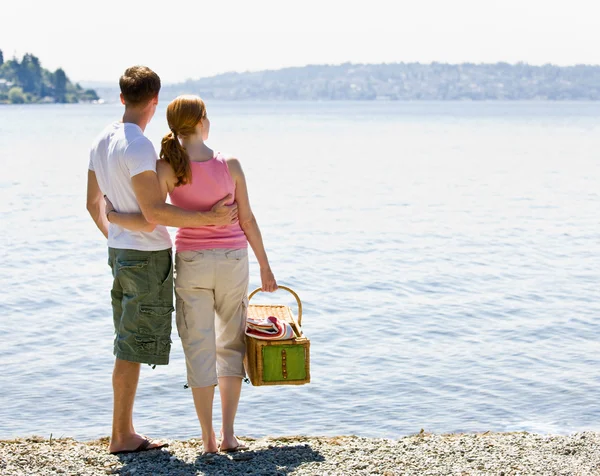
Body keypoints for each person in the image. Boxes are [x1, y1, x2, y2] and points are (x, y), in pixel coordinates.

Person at [106, 94, 277, 455]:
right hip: (233, 260)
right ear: (202, 122)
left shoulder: (166, 168)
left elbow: (153, 215)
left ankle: (208, 440)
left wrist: (116, 218)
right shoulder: (230, 164)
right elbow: (247, 219)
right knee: (230, 345)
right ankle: (230, 435)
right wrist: (265, 265)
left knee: (199, 347)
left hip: (193, 262)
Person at [86, 67, 238, 455]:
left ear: (122, 98)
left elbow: (92, 204)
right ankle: (122, 435)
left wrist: (116, 232)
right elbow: (155, 213)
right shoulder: (138, 146)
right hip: (146, 255)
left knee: (127, 342)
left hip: (120, 253)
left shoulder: (102, 139)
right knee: (132, 344)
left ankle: (123, 431)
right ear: (155, 102)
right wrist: (208, 218)